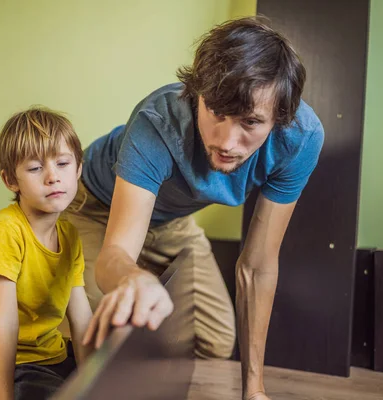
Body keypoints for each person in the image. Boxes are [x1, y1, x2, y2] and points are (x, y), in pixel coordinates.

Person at [64, 17, 324, 400]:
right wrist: (130, 276)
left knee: (217, 340)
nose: (227, 141)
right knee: (103, 342)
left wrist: (254, 391)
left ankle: (148, 276)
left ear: (279, 120)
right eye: (216, 111)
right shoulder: (156, 121)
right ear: (196, 93)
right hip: (94, 207)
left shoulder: (300, 139)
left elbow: (257, 265)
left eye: (250, 122)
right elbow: (114, 256)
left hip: (171, 219)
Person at [0, 107, 93, 400]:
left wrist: (95, 382)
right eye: (35, 168)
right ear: (11, 181)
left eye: (63, 163)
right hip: (1, 363)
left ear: (78, 169)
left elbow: (81, 319)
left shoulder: (69, 236)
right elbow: (4, 326)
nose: (52, 177)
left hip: (47, 353)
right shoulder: (6, 231)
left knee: (112, 372)